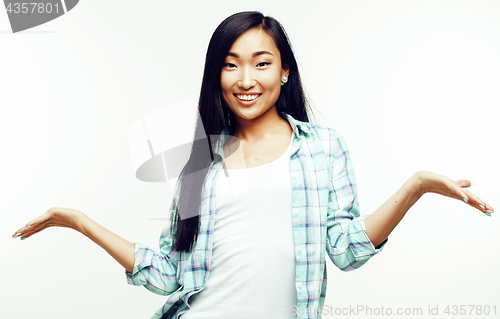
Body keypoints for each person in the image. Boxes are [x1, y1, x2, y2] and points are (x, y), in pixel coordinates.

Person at [11, 11, 494, 319]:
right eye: (230, 63)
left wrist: (418, 186)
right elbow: (166, 275)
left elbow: (345, 252)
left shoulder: (323, 148)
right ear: (216, 73)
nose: (246, 79)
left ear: (284, 72)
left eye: (261, 63)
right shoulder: (199, 162)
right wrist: (76, 221)